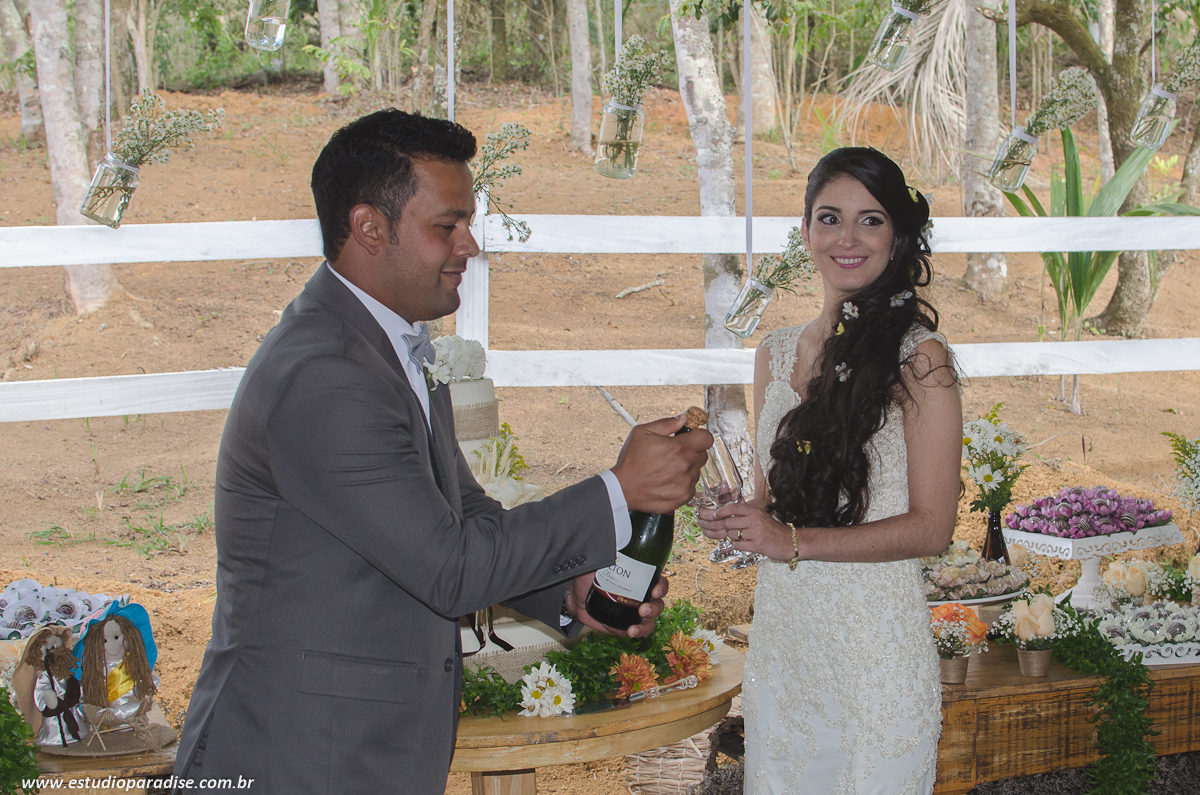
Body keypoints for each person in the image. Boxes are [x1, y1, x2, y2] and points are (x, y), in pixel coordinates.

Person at [174, 109, 710, 794]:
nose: (470, 246)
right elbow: (449, 568)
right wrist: (619, 490)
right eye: (447, 226)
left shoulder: (383, 345)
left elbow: (465, 514)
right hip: (299, 752)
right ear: (369, 227)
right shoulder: (325, 374)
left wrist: (568, 589)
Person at [697, 148, 961, 794]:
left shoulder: (920, 361)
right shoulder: (774, 351)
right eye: (830, 218)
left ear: (897, 236)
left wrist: (790, 541)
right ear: (806, 231)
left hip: (875, 657)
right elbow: (774, 500)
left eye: (870, 220)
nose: (848, 238)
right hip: (785, 650)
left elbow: (933, 528)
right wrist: (739, 516)